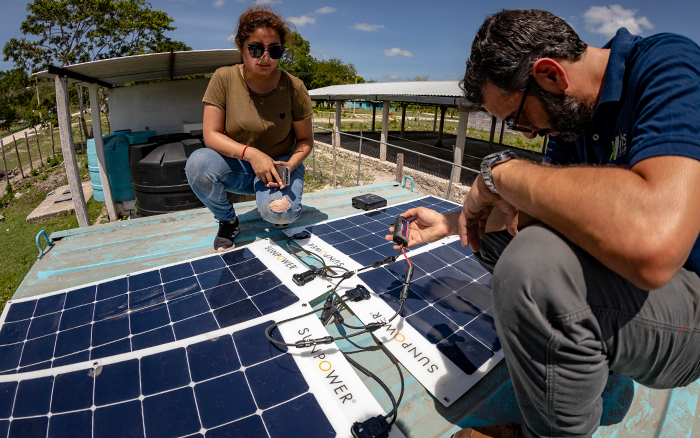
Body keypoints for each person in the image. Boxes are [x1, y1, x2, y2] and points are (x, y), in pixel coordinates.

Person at [388, 9, 700, 438]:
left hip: (689, 309)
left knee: (532, 265)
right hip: (633, 289)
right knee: (495, 239)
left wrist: (500, 171)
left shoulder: (667, 65)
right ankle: (582, 353)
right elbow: (523, 218)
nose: (526, 134)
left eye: (517, 119)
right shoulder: (574, 120)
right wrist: (449, 221)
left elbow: (656, 244)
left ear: (550, 74)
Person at [185, 5, 313, 252]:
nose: (264, 57)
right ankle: (228, 221)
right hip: (240, 165)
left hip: (280, 167)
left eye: (274, 50)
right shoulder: (223, 78)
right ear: (240, 47)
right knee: (198, 164)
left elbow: (306, 139)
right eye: (255, 49)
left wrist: (290, 165)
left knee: (281, 216)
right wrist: (252, 154)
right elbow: (210, 134)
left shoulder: (294, 87)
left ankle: (272, 200)